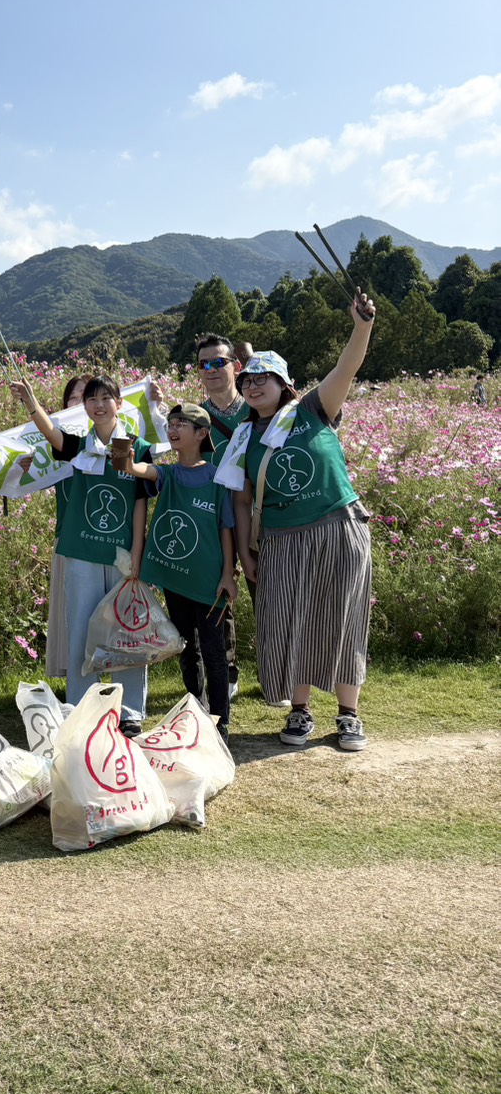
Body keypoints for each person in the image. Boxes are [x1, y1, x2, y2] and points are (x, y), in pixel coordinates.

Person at [220, 294, 377, 751]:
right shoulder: (244, 436)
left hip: (338, 526)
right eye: (247, 380)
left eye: (263, 378)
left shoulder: (312, 410)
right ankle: (300, 710)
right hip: (281, 538)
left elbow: (347, 367)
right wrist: (246, 553)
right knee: (289, 622)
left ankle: (348, 715)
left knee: (344, 618)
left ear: (284, 383)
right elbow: (242, 500)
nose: (253, 386)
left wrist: (362, 326)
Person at [10, 374, 152, 734]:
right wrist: (30, 402)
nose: (99, 405)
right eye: (92, 399)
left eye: (106, 398)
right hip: (81, 551)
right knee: (81, 628)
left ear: (120, 403)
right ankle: (81, 707)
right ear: (85, 407)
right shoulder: (78, 447)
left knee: (126, 629)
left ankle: (129, 711)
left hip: (121, 555)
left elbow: (140, 504)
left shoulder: (138, 448)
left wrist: (137, 553)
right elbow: (51, 434)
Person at [119, 404, 238, 741]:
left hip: (210, 583)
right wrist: (124, 451)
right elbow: (137, 469)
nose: (172, 429)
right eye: (170, 424)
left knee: (214, 652)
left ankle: (220, 721)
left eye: (181, 424)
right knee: (186, 648)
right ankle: (196, 711)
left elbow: (226, 528)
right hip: (177, 579)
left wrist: (228, 574)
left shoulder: (217, 477)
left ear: (201, 433)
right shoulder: (168, 474)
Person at [195, 334, 250, 701]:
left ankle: (280, 672)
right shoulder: (195, 416)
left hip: (257, 513)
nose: (211, 370)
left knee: (270, 593)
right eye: (204, 364)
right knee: (217, 592)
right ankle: (226, 671)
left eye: (219, 362)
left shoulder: (257, 409)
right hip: (213, 515)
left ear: (236, 366)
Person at [42, 376, 89, 680]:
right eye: (74, 398)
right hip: (69, 535)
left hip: (108, 537)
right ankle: (76, 677)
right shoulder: (59, 439)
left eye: (89, 396)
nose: (81, 404)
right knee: (71, 610)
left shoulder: (115, 438)